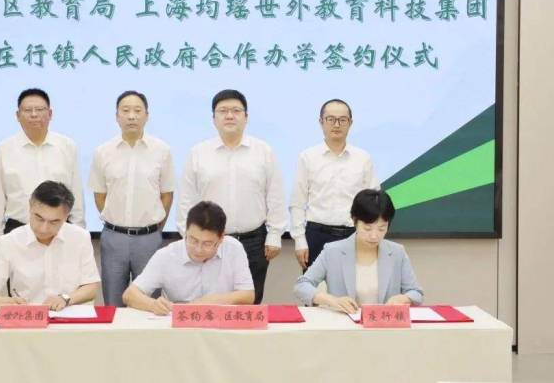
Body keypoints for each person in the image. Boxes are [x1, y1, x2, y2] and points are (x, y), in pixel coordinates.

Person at [177, 89, 286, 304]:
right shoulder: (198, 153)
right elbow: (187, 201)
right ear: (214, 118)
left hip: (254, 241)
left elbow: (275, 196)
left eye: (236, 111)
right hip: (210, 242)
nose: (229, 116)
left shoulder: (263, 151)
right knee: (210, 303)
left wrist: (275, 235)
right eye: (223, 111)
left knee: (249, 306)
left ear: (246, 117)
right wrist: (188, 239)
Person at [88, 90, 175, 306]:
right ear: (117, 116)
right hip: (113, 237)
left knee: (150, 304)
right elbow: (100, 195)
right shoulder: (103, 152)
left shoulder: (162, 150)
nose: (131, 116)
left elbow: (166, 194)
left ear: (147, 115)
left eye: (137, 111)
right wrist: (116, 221)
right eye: (125, 111)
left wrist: (154, 228)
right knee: (113, 301)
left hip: (149, 238)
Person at [293, 189, 423, 313]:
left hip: (383, 325)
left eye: (381, 228)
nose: (374, 236)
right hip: (344, 324)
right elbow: (301, 286)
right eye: (367, 228)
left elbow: (416, 292)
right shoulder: (332, 251)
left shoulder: (397, 252)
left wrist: (405, 298)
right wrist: (331, 300)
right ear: (355, 221)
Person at [0, 181, 100, 310]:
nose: (43, 229)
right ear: (30, 207)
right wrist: (6, 303)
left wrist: (66, 298)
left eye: (54, 222)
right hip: (29, 317)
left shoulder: (80, 238)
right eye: (39, 218)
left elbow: (91, 287)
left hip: (69, 315)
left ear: (66, 216)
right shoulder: (9, 242)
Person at [289, 99, 379, 270]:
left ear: (350, 123)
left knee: (355, 285)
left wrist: (371, 236)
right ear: (321, 122)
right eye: (330, 119)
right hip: (317, 236)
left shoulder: (363, 158)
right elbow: (297, 203)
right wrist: (300, 240)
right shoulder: (307, 157)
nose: (336, 124)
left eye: (342, 120)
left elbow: (374, 203)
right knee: (316, 286)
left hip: (354, 236)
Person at [0, 88, 84, 244]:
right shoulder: (4, 149)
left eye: (39, 109)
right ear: (17, 115)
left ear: (50, 114)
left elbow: (76, 193)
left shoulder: (67, 146)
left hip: (59, 231)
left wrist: (78, 232)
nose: (34, 115)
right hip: (18, 230)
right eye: (27, 110)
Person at [123, 201, 254, 314]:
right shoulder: (167, 255)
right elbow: (129, 295)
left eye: (207, 244)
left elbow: (248, 295)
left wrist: (212, 301)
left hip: (219, 323)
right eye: (193, 240)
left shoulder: (234, 249)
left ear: (221, 238)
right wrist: (152, 305)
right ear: (186, 231)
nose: (198, 249)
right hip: (178, 324)